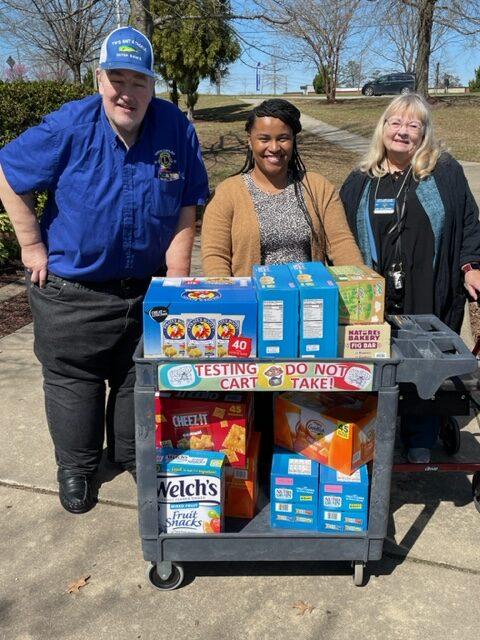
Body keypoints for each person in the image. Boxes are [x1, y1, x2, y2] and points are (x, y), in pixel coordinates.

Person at [0, 26, 208, 514]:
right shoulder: (69, 126)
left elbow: (186, 204)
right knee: (76, 385)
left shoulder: (174, 127)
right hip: (72, 293)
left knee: (138, 378)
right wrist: (31, 245)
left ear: (152, 86)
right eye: (117, 78)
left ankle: (131, 455)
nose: (127, 93)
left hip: (146, 289)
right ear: (99, 79)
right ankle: (76, 467)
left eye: (138, 81)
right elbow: (8, 172)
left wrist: (176, 280)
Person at [340, 93, 480, 463]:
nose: (402, 132)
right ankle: (376, 434)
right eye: (395, 123)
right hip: (376, 292)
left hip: (429, 286)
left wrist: (471, 266)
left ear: (423, 133)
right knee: (374, 358)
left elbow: (468, 222)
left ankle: (421, 433)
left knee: (426, 361)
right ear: (383, 127)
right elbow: (338, 232)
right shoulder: (361, 179)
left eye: (412, 125)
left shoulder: (443, 172)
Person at [201, 98, 364, 275]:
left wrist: (359, 284)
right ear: (250, 141)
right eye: (264, 139)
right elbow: (216, 257)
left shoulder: (318, 187)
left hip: (310, 299)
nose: (274, 147)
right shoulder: (227, 193)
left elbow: (341, 243)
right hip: (250, 299)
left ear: (293, 140)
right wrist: (229, 298)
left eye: (283, 138)